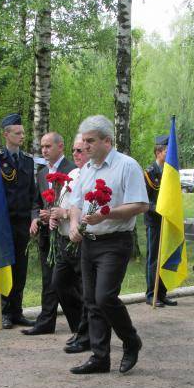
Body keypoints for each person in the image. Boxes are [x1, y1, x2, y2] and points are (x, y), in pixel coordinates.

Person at [69, 115, 149, 374]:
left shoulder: (127, 165)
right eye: (84, 141)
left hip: (115, 241)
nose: (85, 146)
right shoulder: (86, 170)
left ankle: (131, 340)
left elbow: (141, 205)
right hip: (89, 242)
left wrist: (107, 214)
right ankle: (100, 357)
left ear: (107, 141)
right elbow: (76, 204)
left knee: (104, 297)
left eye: (90, 141)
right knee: (91, 300)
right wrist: (74, 224)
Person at [24, 132, 76, 336]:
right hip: (46, 235)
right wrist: (35, 218)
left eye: (48, 146)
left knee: (66, 281)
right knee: (48, 279)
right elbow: (36, 203)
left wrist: (58, 214)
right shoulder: (42, 172)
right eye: (42, 146)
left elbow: (77, 202)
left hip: (66, 234)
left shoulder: (72, 170)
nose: (44, 150)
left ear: (60, 146)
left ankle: (81, 324)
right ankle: (46, 321)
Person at [49, 135, 90, 353]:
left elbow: (87, 210)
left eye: (80, 150)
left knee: (86, 290)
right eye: (74, 150)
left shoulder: (93, 176)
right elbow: (65, 203)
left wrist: (64, 213)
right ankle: (78, 329)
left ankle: (88, 334)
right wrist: (54, 216)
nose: (75, 154)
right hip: (64, 240)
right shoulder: (73, 174)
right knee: (59, 283)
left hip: (82, 240)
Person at [0, 113, 36, 329]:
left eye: (23, 132)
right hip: (4, 223)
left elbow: (32, 193)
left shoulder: (28, 161)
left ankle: (17, 311)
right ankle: (4, 312)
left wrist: (33, 218)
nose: (22, 136)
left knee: (20, 268)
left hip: (22, 222)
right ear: (6, 134)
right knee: (5, 267)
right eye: (17, 133)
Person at [143, 135, 177, 307]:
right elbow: (144, 201)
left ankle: (162, 293)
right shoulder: (149, 172)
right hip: (154, 222)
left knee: (165, 257)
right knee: (154, 258)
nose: (170, 155)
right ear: (158, 152)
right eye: (167, 152)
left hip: (168, 221)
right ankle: (151, 293)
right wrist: (160, 209)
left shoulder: (170, 171)